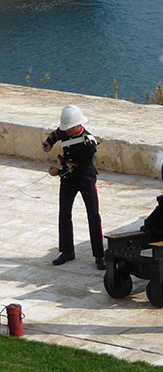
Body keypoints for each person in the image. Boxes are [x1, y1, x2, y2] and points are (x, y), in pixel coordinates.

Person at [42, 104, 105, 270]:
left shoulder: (88, 143)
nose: (66, 132)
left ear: (78, 125)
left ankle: (99, 255)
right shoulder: (65, 129)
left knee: (93, 215)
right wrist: (49, 143)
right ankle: (67, 251)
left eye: (69, 129)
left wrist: (57, 171)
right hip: (68, 180)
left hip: (85, 179)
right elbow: (56, 134)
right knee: (64, 214)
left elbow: (76, 166)